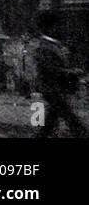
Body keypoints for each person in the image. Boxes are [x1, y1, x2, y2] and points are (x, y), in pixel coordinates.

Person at [32, 10, 86, 138]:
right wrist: (73, 72)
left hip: (56, 88)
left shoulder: (53, 45)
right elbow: (52, 69)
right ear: (50, 27)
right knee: (70, 119)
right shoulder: (45, 47)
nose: (60, 28)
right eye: (57, 25)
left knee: (51, 121)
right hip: (51, 88)